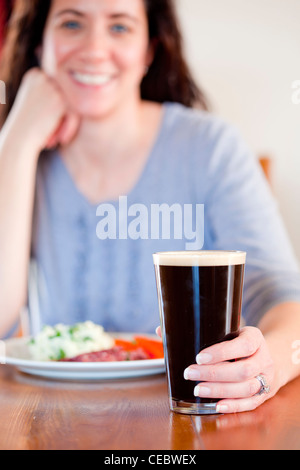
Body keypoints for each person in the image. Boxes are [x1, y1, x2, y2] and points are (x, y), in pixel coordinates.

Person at [0, 0, 300, 414]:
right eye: (72, 23)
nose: (94, 48)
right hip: (57, 416)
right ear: (39, 45)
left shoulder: (210, 148)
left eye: (120, 27)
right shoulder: (22, 157)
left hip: (188, 414)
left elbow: (283, 293)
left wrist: (272, 365)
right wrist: (16, 141)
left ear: (149, 50)